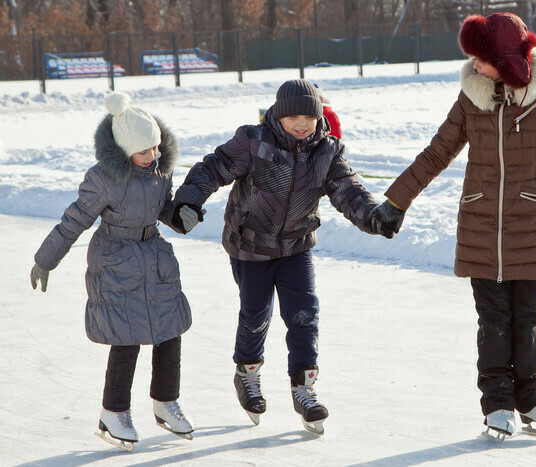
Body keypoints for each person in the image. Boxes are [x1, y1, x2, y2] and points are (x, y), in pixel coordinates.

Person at [369, 12, 536, 443]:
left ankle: (533, 399)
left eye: (481, 58)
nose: (474, 65)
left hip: (534, 227)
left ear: (507, 60)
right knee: (494, 321)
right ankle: (498, 404)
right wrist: (396, 201)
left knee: (530, 319)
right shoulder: (470, 99)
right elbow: (437, 152)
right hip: (482, 228)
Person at [173, 79, 379, 434]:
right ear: (279, 115)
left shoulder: (327, 151)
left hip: (296, 247)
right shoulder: (253, 141)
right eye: (294, 116)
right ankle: (247, 373)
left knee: (304, 315)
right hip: (250, 246)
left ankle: (304, 388)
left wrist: (374, 215)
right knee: (256, 313)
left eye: (310, 117)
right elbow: (213, 167)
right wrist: (188, 200)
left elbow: (348, 190)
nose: (302, 124)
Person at [30, 91, 202, 450]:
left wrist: (179, 217)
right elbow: (74, 220)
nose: (153, 156)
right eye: (144, 151)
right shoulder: (103, 179)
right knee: (127, 340)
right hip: (117, 262)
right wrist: (46, 259)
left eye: (156, 148)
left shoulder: (160, 171)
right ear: (125, 151)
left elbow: (163, 209)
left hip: (154, 258)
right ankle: (114, 412)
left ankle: (165, 401)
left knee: (171, 330)